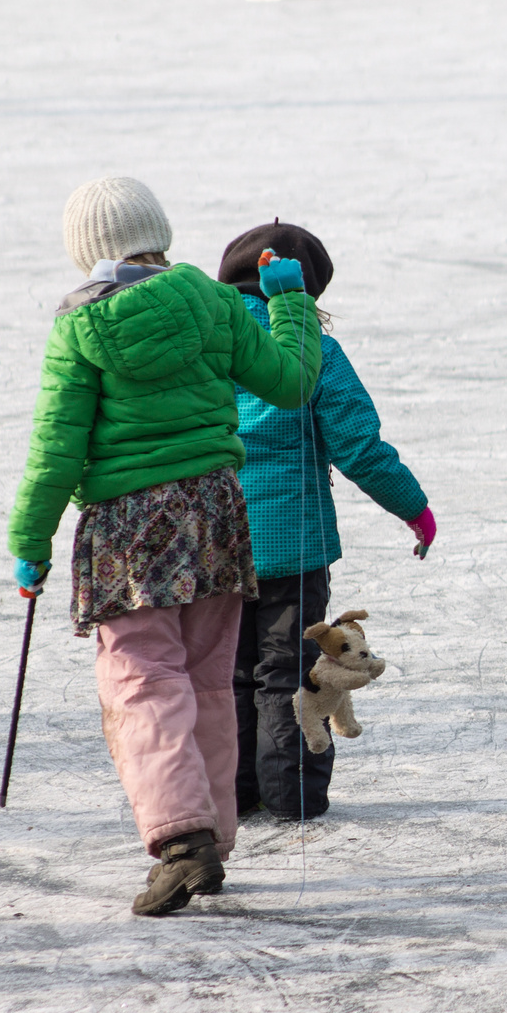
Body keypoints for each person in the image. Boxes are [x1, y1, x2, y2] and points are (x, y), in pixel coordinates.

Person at [7, 177, 322, 915]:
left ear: (85, 252)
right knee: (208, 679)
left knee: (143, 679)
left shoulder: (80, 328)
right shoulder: (212, 302)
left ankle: (183, 844)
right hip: (215, 510)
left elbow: (56, 447)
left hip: (128, 528)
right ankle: (209, 830)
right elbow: (291, 381)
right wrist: (290, 302)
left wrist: (31, 541)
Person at [216, 221, 434, 821]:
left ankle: (232, 795)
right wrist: (413, 508)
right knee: (291, 676)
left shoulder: (204, 346)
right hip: (295, 546)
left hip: (209, 540)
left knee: (228, 674)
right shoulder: (316, 352)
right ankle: (295, 798)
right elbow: (359, 445)